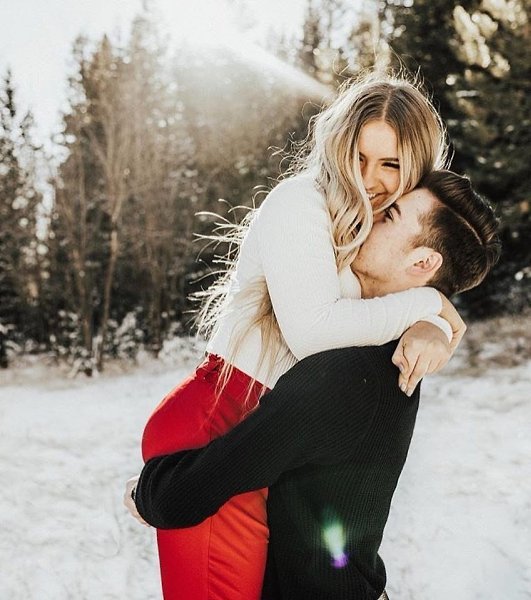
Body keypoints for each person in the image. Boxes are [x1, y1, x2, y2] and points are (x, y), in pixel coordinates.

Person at [127, 73, 466, 600]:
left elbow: (390, 298)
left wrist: (434, 324)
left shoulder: (367, 231)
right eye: (358, 156)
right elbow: (314, 334)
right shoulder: (301, 202)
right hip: (219, 420)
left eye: (391, 164)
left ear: (416, 168)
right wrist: (429, 305)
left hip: (264, 437)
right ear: (337, 146)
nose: (370, 179)